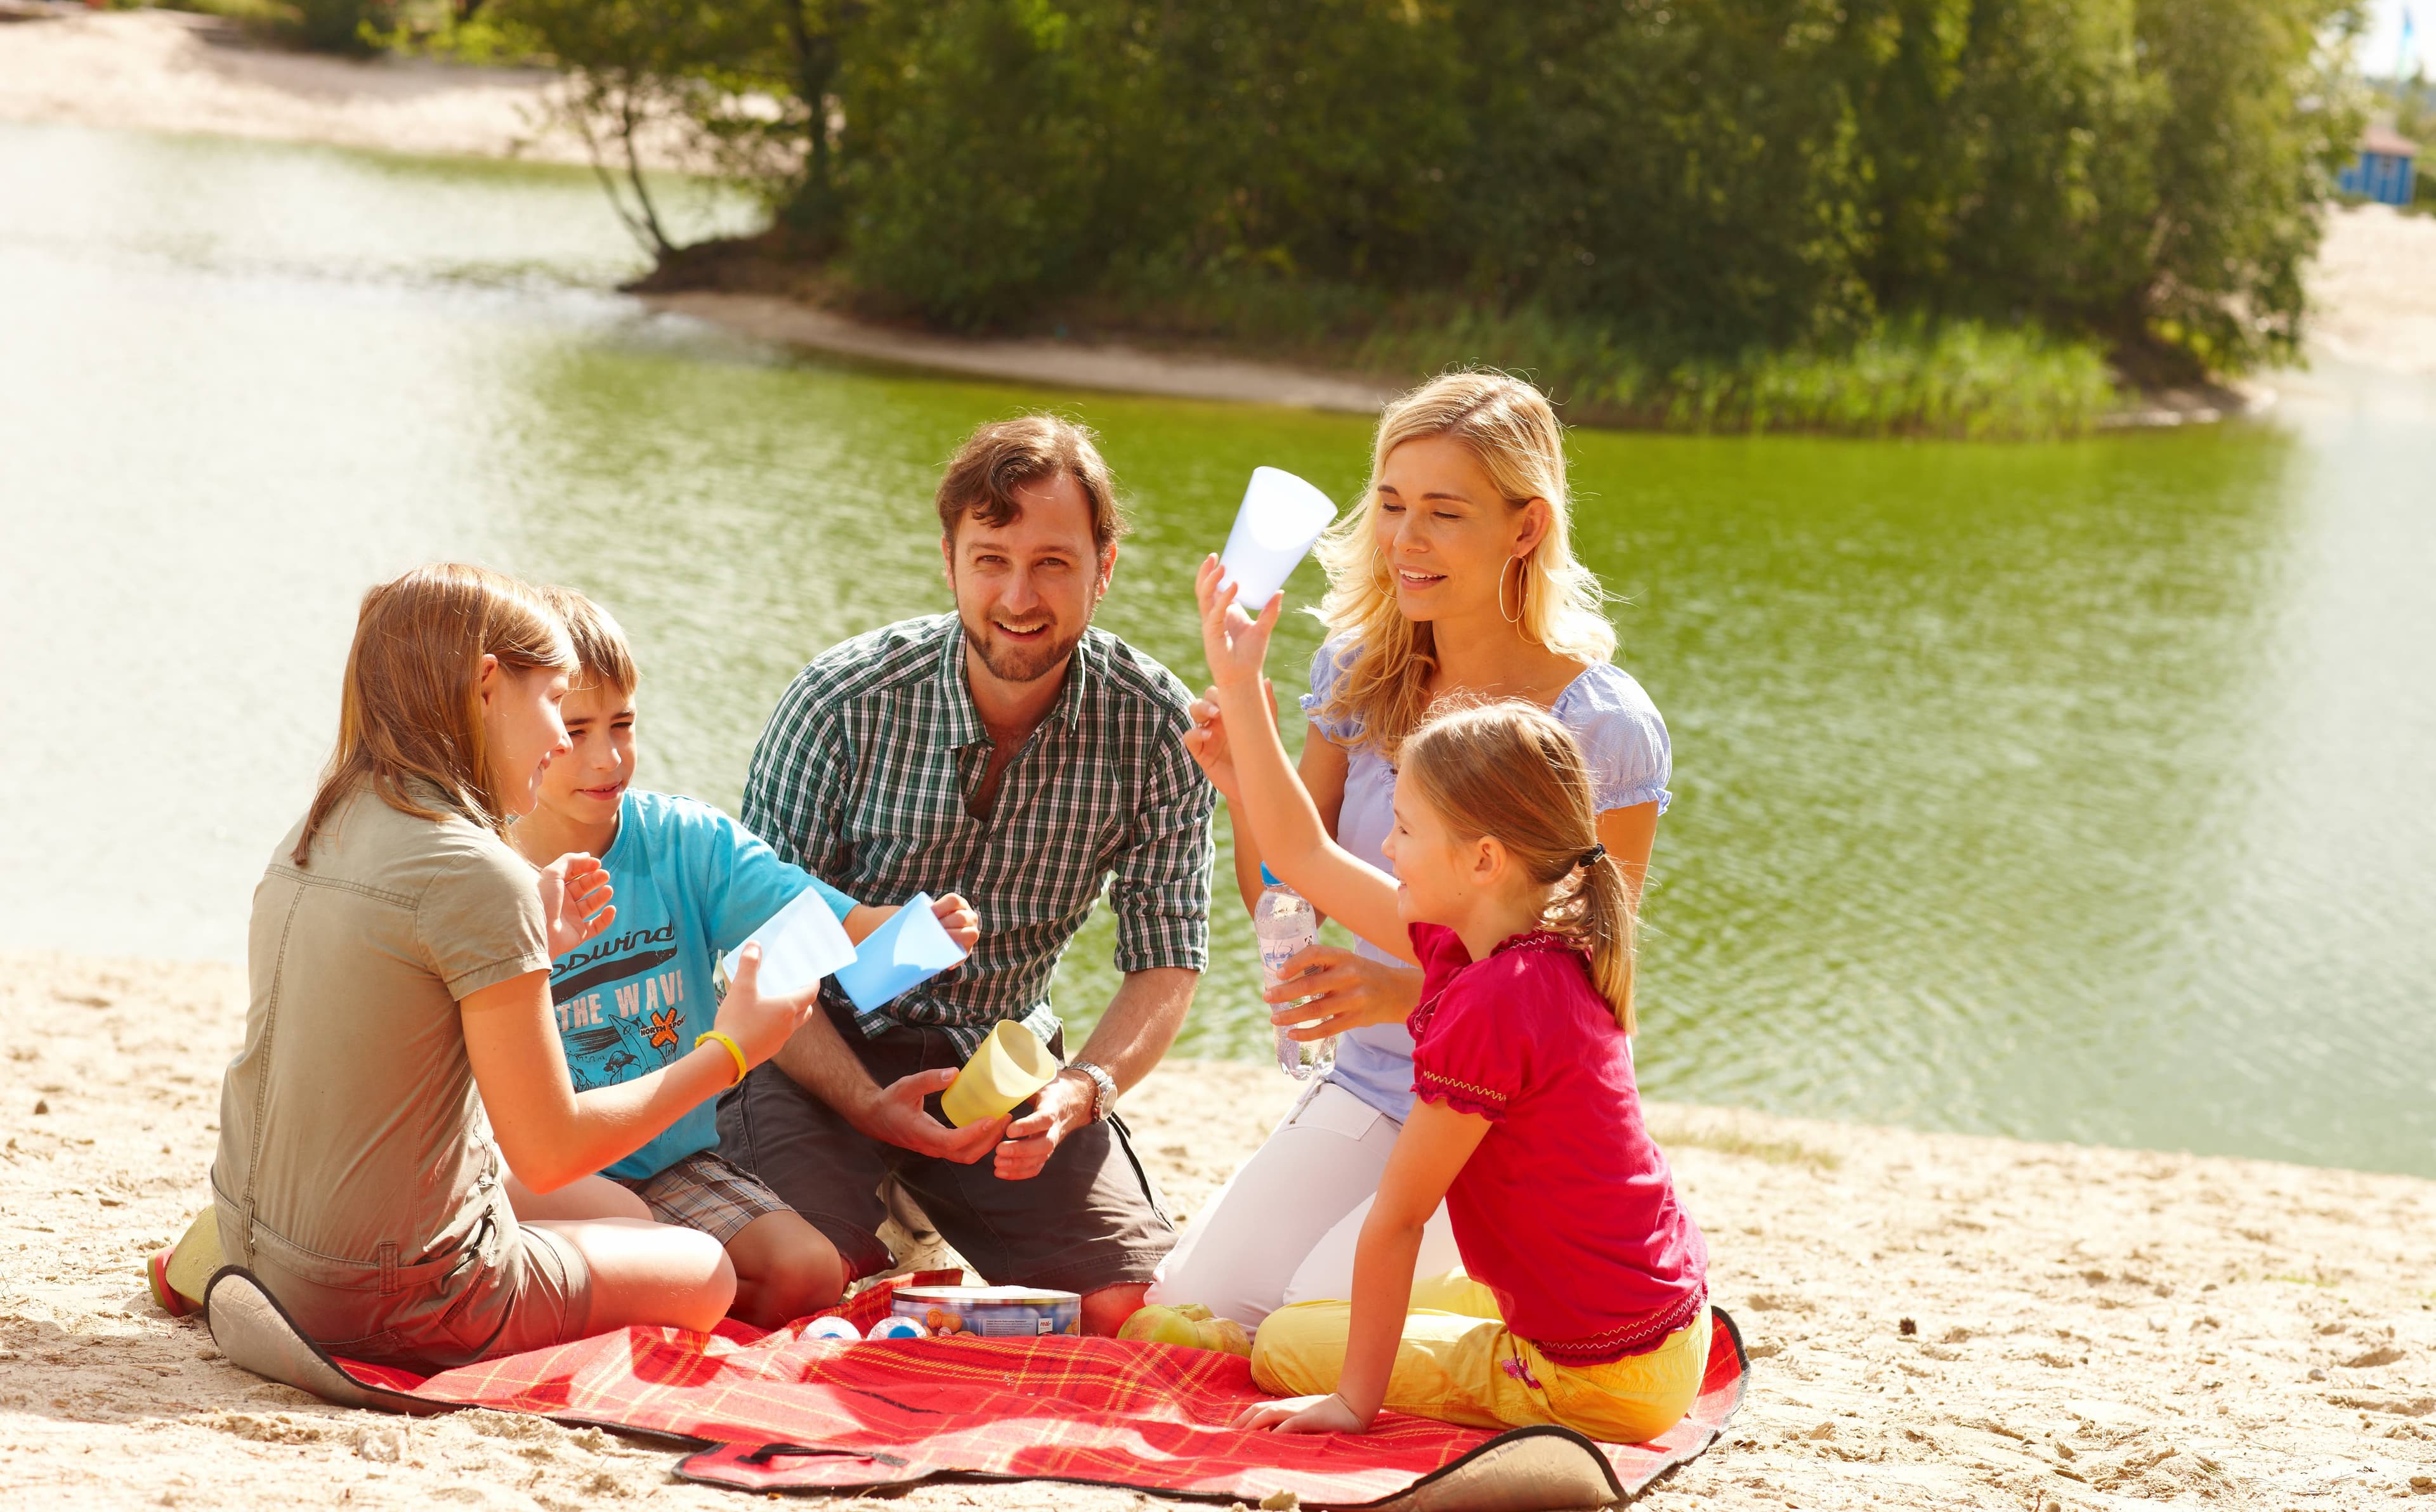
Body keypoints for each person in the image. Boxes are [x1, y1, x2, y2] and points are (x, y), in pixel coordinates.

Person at [1150, 372, 1672, 1327]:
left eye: (1443, 512)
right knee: (1201, 1312)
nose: (1404, 541)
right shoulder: (1354, 672)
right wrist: (1243, 784)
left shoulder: (1602, 726)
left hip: (1506, 1117)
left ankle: (1531, 1281)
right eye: (1390, 506)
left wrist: (1410, 993)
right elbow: (1283, 885)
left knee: (1313, 1322)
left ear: (1525, 528)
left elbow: (1597, 985)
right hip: (1371, 1081)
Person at [207, 563, 822, 1367]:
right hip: (392, 1294)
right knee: (699, 1269)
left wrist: (532, 941)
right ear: (489, 686)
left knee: (639, 1231)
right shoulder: (476, 869)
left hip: (259, 1255)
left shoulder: (321, 822)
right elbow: (551, 1150)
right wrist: (731, 1049)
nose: (566, 742)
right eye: (555, 704)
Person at [718, 415, 1216, 1336]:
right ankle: (888, 1206)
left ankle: (918, 1204)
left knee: (1132, 1310)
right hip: (812, 1043)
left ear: (1105, 569)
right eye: (991, 559)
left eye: (1053, 563)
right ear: (949, 560)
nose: (1018, 596)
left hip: (1000, 1061)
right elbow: (758, 953)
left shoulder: (1158, 729)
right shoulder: (839, 701)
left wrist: (1080, 1093)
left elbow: (1167, 962)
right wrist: (867, 1102)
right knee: (805, 1291)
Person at [1196, 571, 1708, 1442]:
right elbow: (1304, 857)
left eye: (1403, 829)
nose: (1386, 847)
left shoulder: (1490, 1003)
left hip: (1597, 1381)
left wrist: (1354, 1403)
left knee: (1287, 1340)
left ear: (1480, 860)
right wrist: (1241, 693)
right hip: (1664, 1324)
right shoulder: (1531, 945)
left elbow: (1399, 1219)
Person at [501, 587, 981, 1326]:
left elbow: (821, 920)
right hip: (548, 1165)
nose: (608, 757)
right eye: (575, 731)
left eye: (623, 724)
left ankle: (643, 1304)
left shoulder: (684, 840)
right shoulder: (485, 862)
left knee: (810, 1274)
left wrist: (916, 931)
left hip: (674, 1158)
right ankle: (632, 1293)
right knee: (655, 1253)